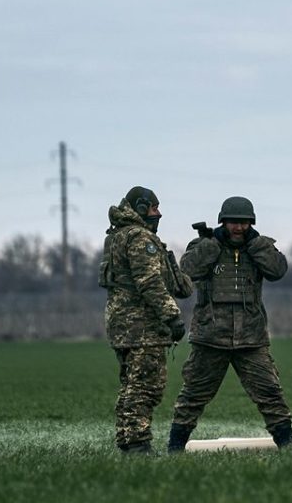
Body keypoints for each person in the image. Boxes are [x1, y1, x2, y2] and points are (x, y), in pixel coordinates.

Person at [168, 196, 292, 451]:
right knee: (193, 396)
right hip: (210, 337)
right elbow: (187, 270)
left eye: (244, 223)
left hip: (251, 338)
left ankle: (288, 446)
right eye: (233, 223)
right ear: (223, 222)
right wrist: (210, 245)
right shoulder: (205, 245)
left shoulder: (258, 248)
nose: (238, 228)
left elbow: (278, 270)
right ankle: (175, 449)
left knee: (270, 394)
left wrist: (257, 244)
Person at [101, 185, 192, 454]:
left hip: (122, 326)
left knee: (131, 386)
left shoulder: (117, 236)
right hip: (141, 327)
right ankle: (138, 445)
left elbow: (177, 286)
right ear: (140, 209)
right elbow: (150, 281)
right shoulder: (141, 238)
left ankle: (130, 441)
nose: (158, 214)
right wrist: (172, 317)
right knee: (145, 387)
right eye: (154, 208)